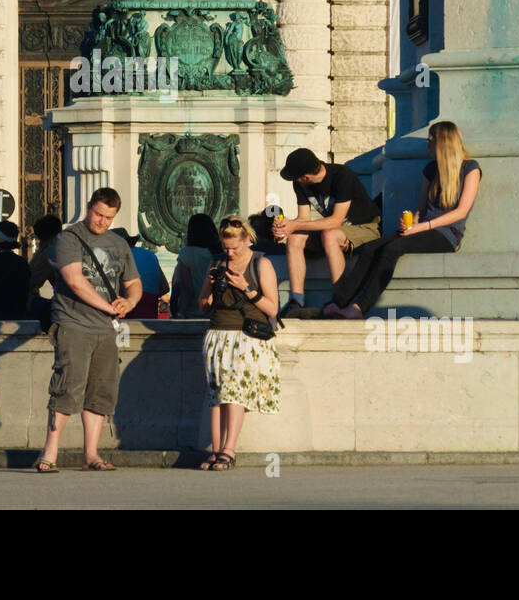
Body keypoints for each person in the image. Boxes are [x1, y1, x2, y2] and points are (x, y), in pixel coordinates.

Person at [325, 121, 482, 319]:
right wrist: (413, 223)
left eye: (430, 139)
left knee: (393, 249)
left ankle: (359, 307)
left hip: (446, 234)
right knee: (369, 248)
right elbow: (423, 208)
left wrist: (422, 226)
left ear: (442, 142)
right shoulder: (431, 170)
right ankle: (338, 302)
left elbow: (461, 212)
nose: (428, 143)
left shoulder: (470, 168)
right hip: (422, 228)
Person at [35, 187, 141, 473]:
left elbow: (133, 284)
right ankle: (49, 453)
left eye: (109, 217)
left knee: (100, 392)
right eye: (98, 214)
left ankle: (92, 454)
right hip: (73, 322)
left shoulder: (119, 244)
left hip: (105, 329)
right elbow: (74, 280)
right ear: (88, 206)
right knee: (67, 386)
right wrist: (109, 308)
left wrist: (128, 303)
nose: (102, 222)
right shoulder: (68, 238)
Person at [198, 217, 280, 470]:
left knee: (233, 392)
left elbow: (272, 307)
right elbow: (202, 306)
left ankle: (229, 450)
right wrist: (211, 288)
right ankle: (215, 449)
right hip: (217, 334)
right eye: (226, 247)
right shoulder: (216, 263)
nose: (230, 252)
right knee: (217, 395)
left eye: (235, 247)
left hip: (248, 336)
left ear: (247, 239)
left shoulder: (261, 263)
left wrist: (246, 287)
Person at [274, 147, 382, 317]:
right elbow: (303, 218)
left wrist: (295, 225)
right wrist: (288, 226)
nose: (294, 181)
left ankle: (340, 298)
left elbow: (336, 220)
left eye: (296, 178)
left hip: (366, 227)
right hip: (335, 231)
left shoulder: (342, 176)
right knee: (295, 238)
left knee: (329, 234)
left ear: (306, 177)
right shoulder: (300, 183)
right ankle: (297, 300)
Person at [170, 214, 220, 319]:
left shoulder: (187, 253)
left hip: (192, 312)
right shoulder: (220, 253)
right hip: (215, 313)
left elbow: (186, 287)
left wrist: (180, 313)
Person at [112, 227, 169, 319]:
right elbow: (164, 288)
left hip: (126, 308)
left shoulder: (119, 257)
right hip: (150, 311)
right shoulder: (151, 255)